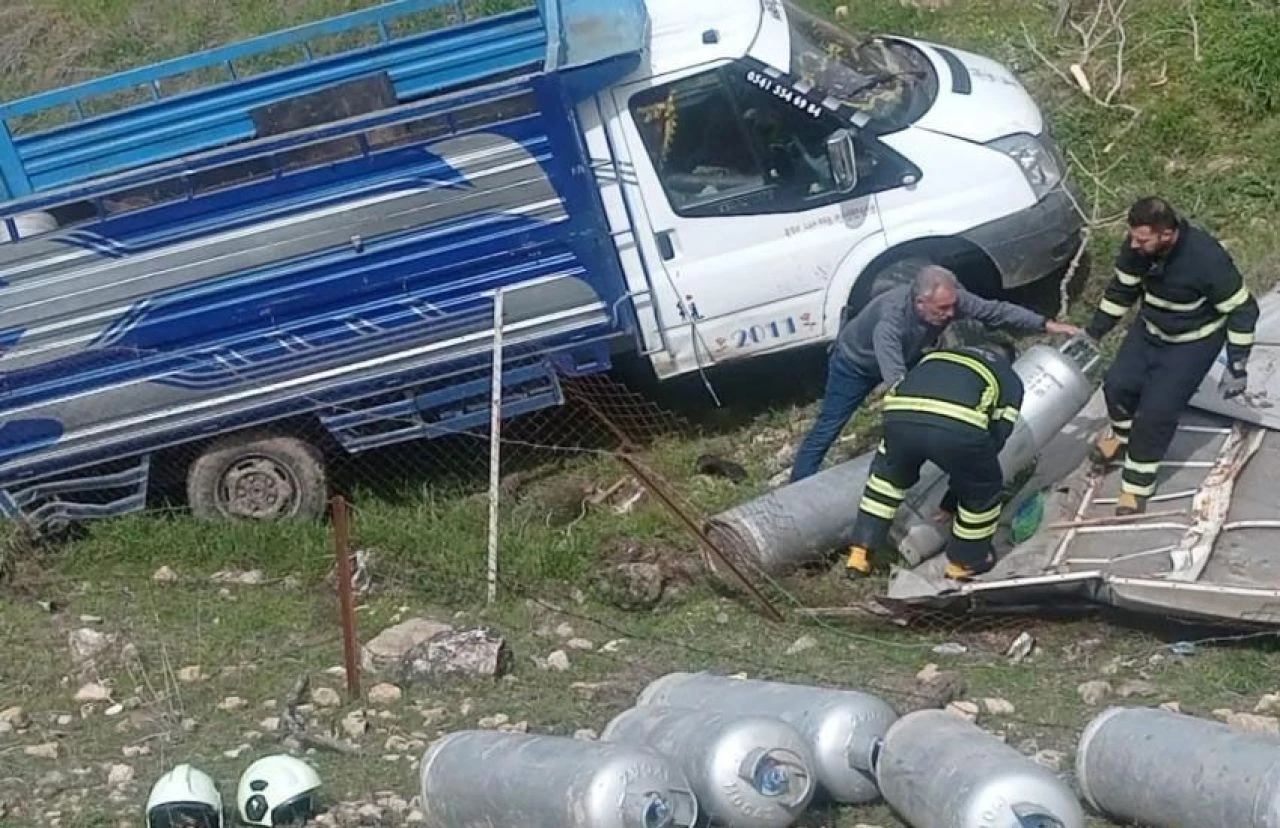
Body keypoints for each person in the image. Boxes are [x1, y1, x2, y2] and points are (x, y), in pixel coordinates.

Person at [789, 264, 1080, 482]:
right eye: (943, 308)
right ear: (920, 302)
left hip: (907, 354)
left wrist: (1046, 325)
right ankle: (799, 485)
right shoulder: (890, 321)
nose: (951, 314)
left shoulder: (950, 301)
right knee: (828, 427)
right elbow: (896, 381)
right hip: (855, 364)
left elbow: (996, 311)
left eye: (953, 305)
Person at [1084, 197, 1259, 515]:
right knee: (1117, 385)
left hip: (1191, 343)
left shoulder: (1205, 259)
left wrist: (1237, 364)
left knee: (1156, 413)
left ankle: (1136, 486)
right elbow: (1122, 290)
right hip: (1150, 330)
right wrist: (1094, 333)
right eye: (1133, 237)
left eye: (1142, 239)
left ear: (1166, 234)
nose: (1133, 245)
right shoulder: (1139, 250)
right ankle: (1123, 438)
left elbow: (1243, 309)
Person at [843, 339, 1023, 581]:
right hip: (956, 427)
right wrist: (952, 500)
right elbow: (993, 442)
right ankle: (965, 563)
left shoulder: (936, 356)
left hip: (898, 419)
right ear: (1008, 360)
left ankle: (860, 555)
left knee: (885, 483)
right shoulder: (1008, 377)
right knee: (983, 491)